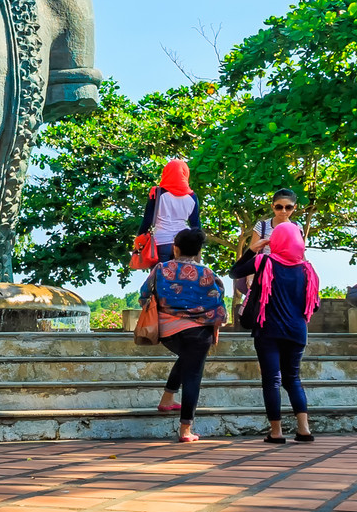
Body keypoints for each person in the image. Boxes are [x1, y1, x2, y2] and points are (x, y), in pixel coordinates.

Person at [144, 228, 227, 442]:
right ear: (199, 252)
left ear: (175, 248)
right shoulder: (209, 274)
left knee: (187, 359)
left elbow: (144, 296)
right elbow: (219, 300)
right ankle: (185, 430)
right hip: (199, 333)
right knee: (193, 376)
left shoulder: (160, 269)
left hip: (168, 332)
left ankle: (166, 400)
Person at [247, 216, 319, 444]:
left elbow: (235, 272)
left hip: (268, 330)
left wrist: (254, 249)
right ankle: (304, 428)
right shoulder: (308, 270)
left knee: (271, 380)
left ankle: (276, 432)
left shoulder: (265, 263)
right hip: (297, 332)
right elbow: (313, 304)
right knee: (293, 379)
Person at [137, 159, 200, 264]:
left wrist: (139, 237)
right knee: (181, 277)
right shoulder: (192, 197)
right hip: (184, 244)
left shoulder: (157, 193)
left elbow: (147, 220)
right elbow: (196, 225)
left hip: (161, 242)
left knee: (160, 277)